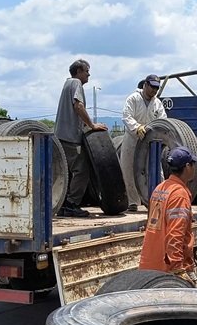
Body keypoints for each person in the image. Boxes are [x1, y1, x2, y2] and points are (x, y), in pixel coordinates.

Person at [54, 59, 108, 218]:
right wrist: (91, 125)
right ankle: (71, 204)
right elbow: (78, 106)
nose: (89, 74)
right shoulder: (76, 83)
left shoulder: (67, 84)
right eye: (86, 71)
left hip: (61, 135)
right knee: (82, 170)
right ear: (78, 71)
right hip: (69, 137)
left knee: (67, 172)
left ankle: (64, 204)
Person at [139, 146, 197, 284]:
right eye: (193, 164)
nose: (195, 168)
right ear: (187, 167)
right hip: (167, 270)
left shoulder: (160, 189)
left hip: (150, 264)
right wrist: (178, 270)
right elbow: (175, 234)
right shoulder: (179, 195)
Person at [121, 74, 168, 211]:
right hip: (132, 139)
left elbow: (163, 120)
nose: (154, 90)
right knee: (129, 170)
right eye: (152, 86)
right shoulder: (133, 99)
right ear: (145, 85)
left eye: (157, 88)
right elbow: (126, 116)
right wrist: (137, 127)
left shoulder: (157, 103)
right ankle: (133, 202)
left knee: (155, 170)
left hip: (150, 142)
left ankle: (158, 199)